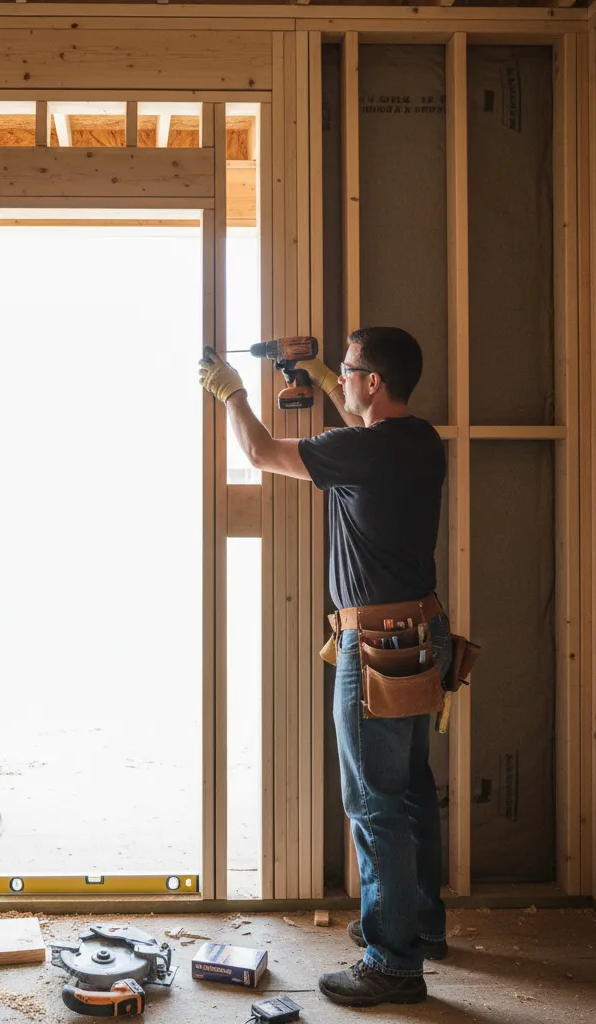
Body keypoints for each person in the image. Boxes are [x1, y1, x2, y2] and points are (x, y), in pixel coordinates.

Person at [198, 326, 452, 1008]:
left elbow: (257, 450)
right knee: (411, 788)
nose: (336, 381)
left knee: (374, 805)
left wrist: (232, 393)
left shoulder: (357, 452)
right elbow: (360, 432)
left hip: (374, 649)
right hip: (423, 635)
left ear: (373, 383)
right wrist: (313, 368)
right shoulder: (420, 440)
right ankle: (420, 924)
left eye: (345, 373)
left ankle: (393, 964)